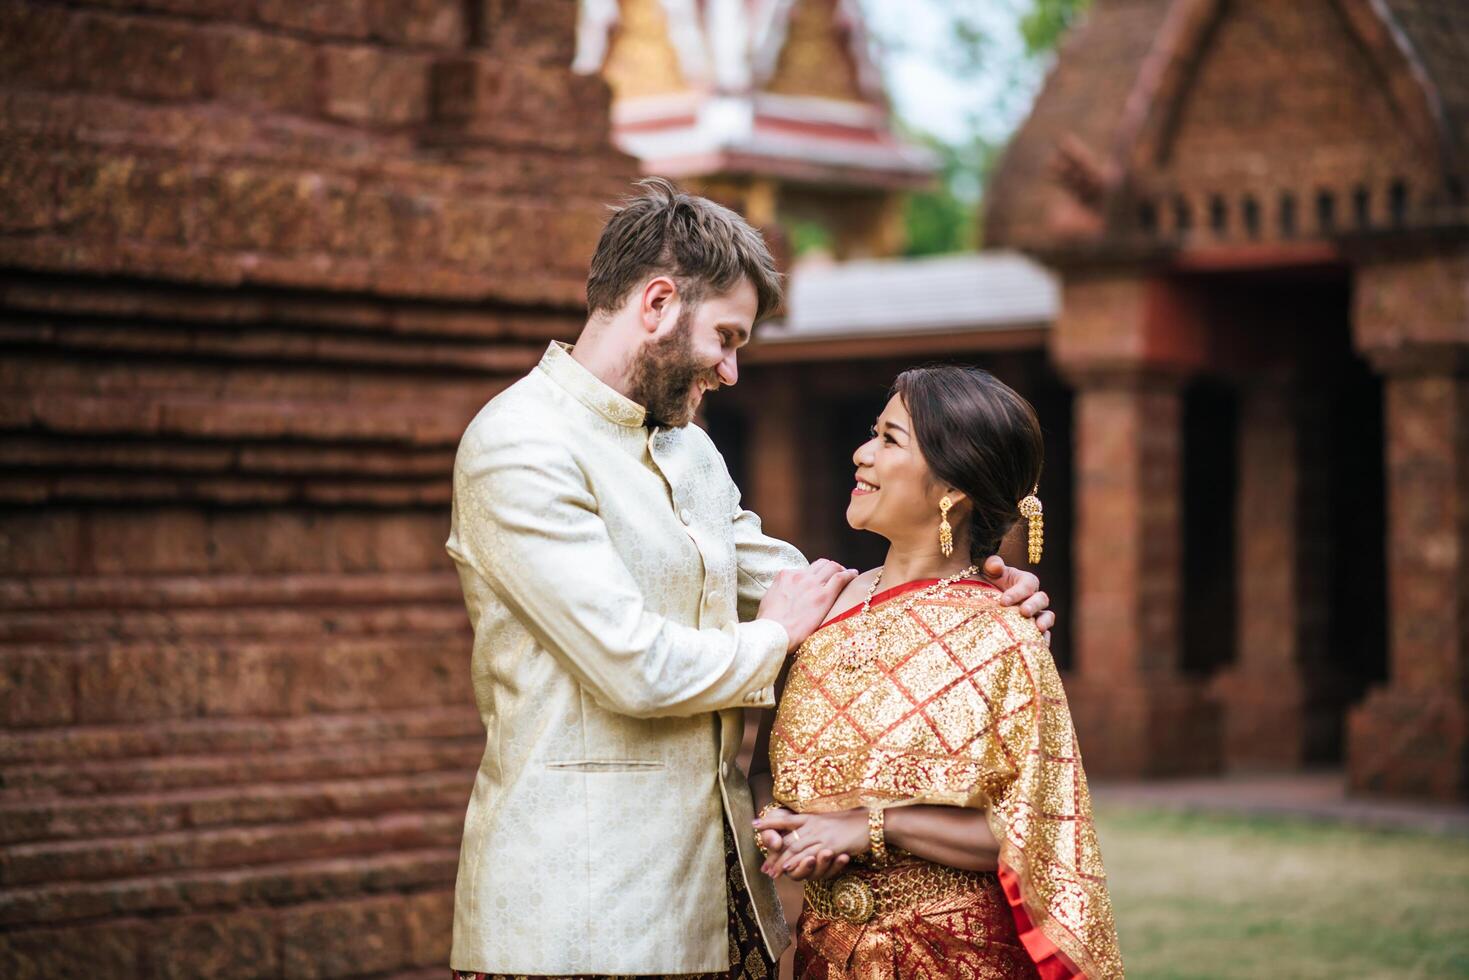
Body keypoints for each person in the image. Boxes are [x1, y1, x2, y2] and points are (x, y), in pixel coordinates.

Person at [444, 178, 1055, 979]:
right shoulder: (519, 446)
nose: (731, 371)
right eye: (725, 337)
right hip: (576, 912)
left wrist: (966, 603)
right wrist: (774, 634)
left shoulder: (689, 451)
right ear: (657, 303)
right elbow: (632, 664)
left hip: (717, 895)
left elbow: (808, 589)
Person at [750, 366, 1123, 980]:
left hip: (954, 958)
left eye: (890, 440)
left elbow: (1035, 837)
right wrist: (795, 835)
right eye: (874, 432)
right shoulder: (818, 607)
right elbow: (783, 776)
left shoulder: (1004, 635)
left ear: (954, 487)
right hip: (824, 955)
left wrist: (872, 826)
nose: (861, 452)